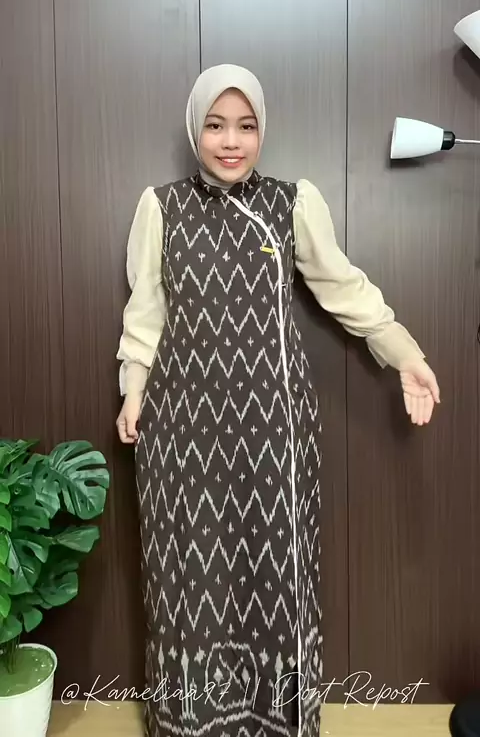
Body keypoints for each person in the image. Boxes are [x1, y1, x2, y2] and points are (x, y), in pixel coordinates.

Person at [115, 64, 440, 737]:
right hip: (183, 427)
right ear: (195, 129)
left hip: (274, 427)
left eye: (246, 125)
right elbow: (145, 313)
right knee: (190, 577)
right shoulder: (160, 207)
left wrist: (404, 352)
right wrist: (133, 392)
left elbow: (344, 288)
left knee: (276, 573)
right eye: (215, 125)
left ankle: (277, 721)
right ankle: (190, 721)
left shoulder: (291, 203)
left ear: (262, 130)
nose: (231, 141)